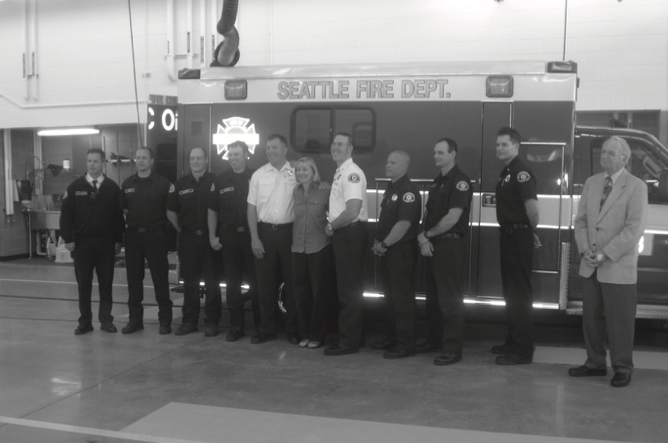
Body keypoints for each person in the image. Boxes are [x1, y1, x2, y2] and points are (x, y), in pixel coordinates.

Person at [570, 136, 647, 388]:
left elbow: (634, 229)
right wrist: (584, 250)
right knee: (591, 319)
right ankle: (594, 363)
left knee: (620, 321)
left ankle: (622, 367)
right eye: (603, 153)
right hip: (590, 263)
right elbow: (580, 221)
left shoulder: (636, 186)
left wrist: (605, 253)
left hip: (617, 265)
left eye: (611, 153)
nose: (605, 157)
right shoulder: (592, 183)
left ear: (624, 158)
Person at [416, 139, 473, 365]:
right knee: (433, 298)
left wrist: (426, 236)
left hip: (449, 245)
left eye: (441, 152)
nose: (436, 156)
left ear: (453, 154)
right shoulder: (437, 182)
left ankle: (452, 349)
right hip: (433, 244)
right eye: (434, 152)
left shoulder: (460, 182)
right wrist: (423, 237)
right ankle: (435, 340)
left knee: (450, 300)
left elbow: (452, 219)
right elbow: (429, 213)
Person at [59, 148, 125, 335]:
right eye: (89, 161)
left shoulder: (112, 188)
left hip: (106, 243)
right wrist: (68, 239)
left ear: (103, 163)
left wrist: (118, 240)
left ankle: (106, 320)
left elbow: (118, 217)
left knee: (106, 283)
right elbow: (66, 215)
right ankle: (85, 322)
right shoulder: (75, 187)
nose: (92, 164)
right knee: (84, 284)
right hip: (82, 244)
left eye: (95, 161)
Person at [492, 127, 540, 365]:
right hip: (509, 236)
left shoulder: (521, 172)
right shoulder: (507, 172)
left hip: (518, 236)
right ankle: (513, 341)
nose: (500, 148)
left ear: (516, 146)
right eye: (498, 144)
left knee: (519, 294)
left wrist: (528, 232)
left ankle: (522, 350)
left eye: (505, 144)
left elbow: (532, 209)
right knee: (510, 292)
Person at [247, 134, 299, 344]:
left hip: (290, 234)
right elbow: (251, 209)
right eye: (268, 148)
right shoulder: (259, 175)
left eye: (275, 148)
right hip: (265, 233)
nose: (270, 151)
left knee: (293, 284)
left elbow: (314, 185)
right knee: (264, 285)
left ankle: (293, 329)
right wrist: (254, 238)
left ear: (285, 149)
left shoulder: (297, 171)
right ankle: (266, 328)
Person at [370, 151, 421, 359]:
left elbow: (403, 224)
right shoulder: (391, 188)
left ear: (405, 167)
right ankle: (392, 337)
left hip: (400, 251)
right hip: (388, 250)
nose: (388, 165)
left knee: (402, 299)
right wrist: (379, 241)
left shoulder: (408, 191)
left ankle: (405, 343)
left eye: (393, 162)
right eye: (387, 161)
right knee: (390, 298)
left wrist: (384, 243)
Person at [208, 141, 260, 342]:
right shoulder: (221, 180)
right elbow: (212, 209)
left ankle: (259, 326)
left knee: (257, 283)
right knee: (232, 284)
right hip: (228, 237)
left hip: (251, 235)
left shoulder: (256, 177)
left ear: (246, 154)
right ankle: (236, 326)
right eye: (230, 154)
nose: (233, 158)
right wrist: (213, 236)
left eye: (237, 154)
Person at [166, 147, 221, 337]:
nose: (195, 161)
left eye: (199, 158)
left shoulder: (216, 181)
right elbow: (171, 212)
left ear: (206, 160)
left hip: (209, 239)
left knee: (212, 282)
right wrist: (182, 230)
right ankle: (189, 321)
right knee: (190, 283)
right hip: (188, 239)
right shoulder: (179, 184)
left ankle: (212, 322)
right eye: (192, 158)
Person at [324, 133, 369, 356]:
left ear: (350, 149)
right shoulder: (341, 171)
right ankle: (351, 337)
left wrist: (331, 226)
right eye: (333, 144)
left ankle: (349, 342)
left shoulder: (351, 173)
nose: (335, 147)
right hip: (346, 234)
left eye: (340, 144)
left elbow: (352, 211)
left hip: (348, 234)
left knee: (349, 291)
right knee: (347, 289)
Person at [120, 147, 174, 335]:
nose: (140, 161)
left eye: (144, 158)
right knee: (133, 280)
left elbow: (170, 212)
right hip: (133, 237)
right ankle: (135, 320)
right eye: (138, 158)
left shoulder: (163, 184)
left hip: (155, 237)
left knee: (160, 279)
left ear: (152, 161)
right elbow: (125, 210)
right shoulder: (127, 184)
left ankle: (165, 321)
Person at [291, 157, 336, 349]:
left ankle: (317, 335)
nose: (301, 173)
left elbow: (333, 215)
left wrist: (331, 228)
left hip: (319, 247)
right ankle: (304, 334)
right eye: (299, 170)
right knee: (301, 293)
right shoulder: (295, 191)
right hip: (298, 249)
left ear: (313, 171)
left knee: (319, 294)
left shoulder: (325, 190)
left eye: (305, 170)